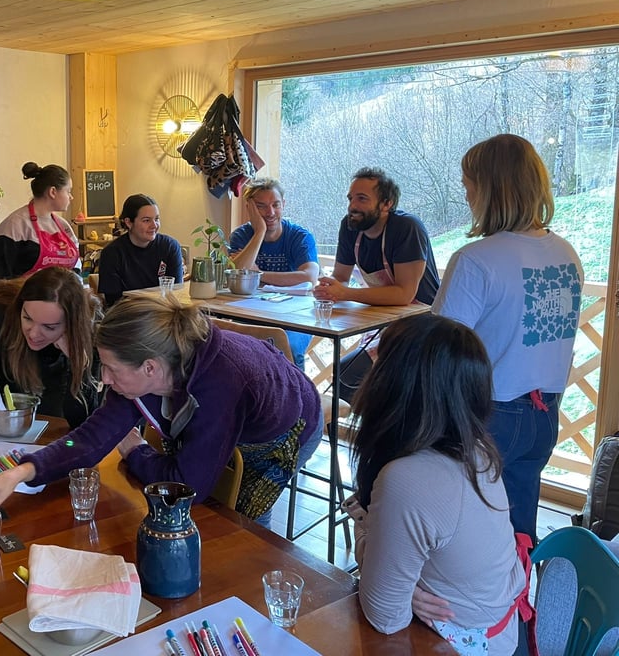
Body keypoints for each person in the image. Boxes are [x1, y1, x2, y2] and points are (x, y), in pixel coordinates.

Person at [0, 293, 322, 526]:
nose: (105, 380)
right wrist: (23, 472)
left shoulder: (220, 387)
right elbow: (90, 438)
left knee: (246, 530)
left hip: (287, 426)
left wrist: (135, 450)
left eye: (111, 369)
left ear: (150, 368)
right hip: (238, 413)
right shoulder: (154, 362)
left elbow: (184, 487)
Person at [345, 314, 526, 656]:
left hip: (459, 643)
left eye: (379, 359)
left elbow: (384, 616)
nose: (369, 365)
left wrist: (364, 532)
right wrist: (401, 584)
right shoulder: (475, 449)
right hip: (501, 629)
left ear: (396, 385)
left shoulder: (408, 478)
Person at [432, 133, 583, 540]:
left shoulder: (477, 260)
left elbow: (439, 349)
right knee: (518, 532)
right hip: (545, 413)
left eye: (469, 186)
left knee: (469, 538)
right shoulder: (566, 254)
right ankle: (518, 603)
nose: (466, 196)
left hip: (489, 413)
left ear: (491, 189)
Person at [314, 167, 440, 400]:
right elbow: (341, 277)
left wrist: (345, 293)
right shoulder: (351, 226)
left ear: (386, 204)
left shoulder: (406, 228)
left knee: (350, 376)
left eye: (362, 199)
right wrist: (327, 287)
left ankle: (379, 431)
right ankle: (371, 431)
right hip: (384, 319)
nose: (353, 206)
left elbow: (404, 294)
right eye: (351, 198)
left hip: (424, 324)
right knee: (345, 377)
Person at [0, 266, 102, 430]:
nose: (34, 334)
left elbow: (81, 421)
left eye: (49, 327)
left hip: (52, 432)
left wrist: (76, 362)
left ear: (71, 325)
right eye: (27, 318)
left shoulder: (87, 334)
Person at [228, 177, 319, 369]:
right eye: (261, 206)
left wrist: (258, 274)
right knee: (231, 346)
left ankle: (299, 396)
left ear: (283, 205)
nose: (270, 213)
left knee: (290, 347)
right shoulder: (241, 236)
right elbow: (237, 273)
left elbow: (309, 277)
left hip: (295, 315)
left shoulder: (299, 236)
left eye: (275, 205)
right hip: (250, 313)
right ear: (250, 209)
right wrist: (259, 231)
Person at [0, 162, 80, 284]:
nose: (71, 197)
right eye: (68, 191)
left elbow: (76, 270)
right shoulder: (14, 225)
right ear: (53, 192)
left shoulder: (64, 226)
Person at [96, 193, 184, 306]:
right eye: (146, 220)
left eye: (156, 219)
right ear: (128, 222)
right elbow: (114, 302)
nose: (154, 225)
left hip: (164, 314)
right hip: (129, 317)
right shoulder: (112, 253)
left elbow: (176, 292)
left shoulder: (170, 247)